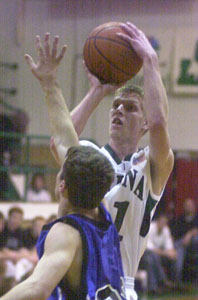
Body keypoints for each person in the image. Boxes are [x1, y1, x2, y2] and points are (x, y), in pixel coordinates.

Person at [48, 22, 174, 299]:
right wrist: (98, 92)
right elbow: (59, 141)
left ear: (143, 124)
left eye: (129, 108)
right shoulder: (91, 156)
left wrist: (150, 60)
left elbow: (160, 122)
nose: (118, 111)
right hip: (82, 278)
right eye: (115, 106)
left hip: (121, 282)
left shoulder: (152, 166)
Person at [0, 33, 126, 300]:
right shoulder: (103, 217)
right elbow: (65, 137)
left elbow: (37, 288)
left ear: (62, 185)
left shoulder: (67, 233)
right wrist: (49, 83)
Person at [140, 214, 176, 295]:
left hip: (157, 256)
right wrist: (166, 253)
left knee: (152, 259)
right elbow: (149, 248)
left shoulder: (165, 229)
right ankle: (163, 280)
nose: (163, 224)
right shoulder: (150, 227)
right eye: (162, 222)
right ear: (157, 221)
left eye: (165, 223)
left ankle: (154, 287)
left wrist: (172, 252)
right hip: (143, 254)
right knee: (151, 257)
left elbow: (169, 246)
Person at [170, 198, 198, 283]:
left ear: (194, 207)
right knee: (177, 253)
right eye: (186, 205)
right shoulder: (180, 220)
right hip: (181, 245)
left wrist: (189, 234)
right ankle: (177, 282)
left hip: (194, 244)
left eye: (190, 205)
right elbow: (174, 234)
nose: (188, 207)